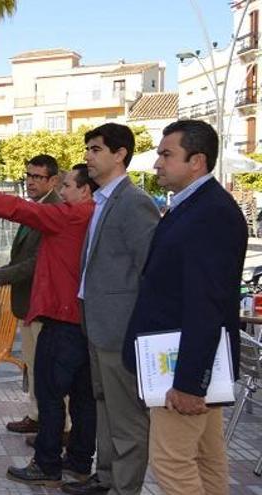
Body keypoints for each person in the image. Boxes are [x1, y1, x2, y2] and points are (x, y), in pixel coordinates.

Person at [0, 165, 98, 487]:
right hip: (84, 319)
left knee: (50, 393)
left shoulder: (69, 215)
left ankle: (47, 463)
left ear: (85, 191)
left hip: (60, 318)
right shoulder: (97, 216)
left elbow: (15, 208)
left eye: (68, 186)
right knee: (82, 398)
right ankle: (80, 460)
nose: (64, 193)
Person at [123, 119, 247, 495]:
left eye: (166, 154)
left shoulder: (210, 213)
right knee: (208, 460)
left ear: (197, 161)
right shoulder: (194, 206)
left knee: (172, 462)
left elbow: (206, 302)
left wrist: (190, 382)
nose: (157, 163)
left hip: (185, 367)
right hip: (189, 361)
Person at [65, 123, 160, 495]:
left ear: (120, 154)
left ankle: (124, 487)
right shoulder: (105, 200)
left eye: (96, 149)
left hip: (121, 330)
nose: (88, 156)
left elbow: (149, 269)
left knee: (127, 419)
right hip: (98, 325)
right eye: (88, 149)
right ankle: (105, 478)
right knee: (104, 408)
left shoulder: (134, 202)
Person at [0, 155, 63, 437]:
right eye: (28, 175)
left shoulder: (54, 210)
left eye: (38, 177)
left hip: (42, 304)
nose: (31, 181)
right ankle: (37, 416)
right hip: (28, 303)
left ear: (53, 181)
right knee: (33, 364)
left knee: (46, 369)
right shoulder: (36, 208)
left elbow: (38, 262)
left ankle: (57, 427)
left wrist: (0, 276)